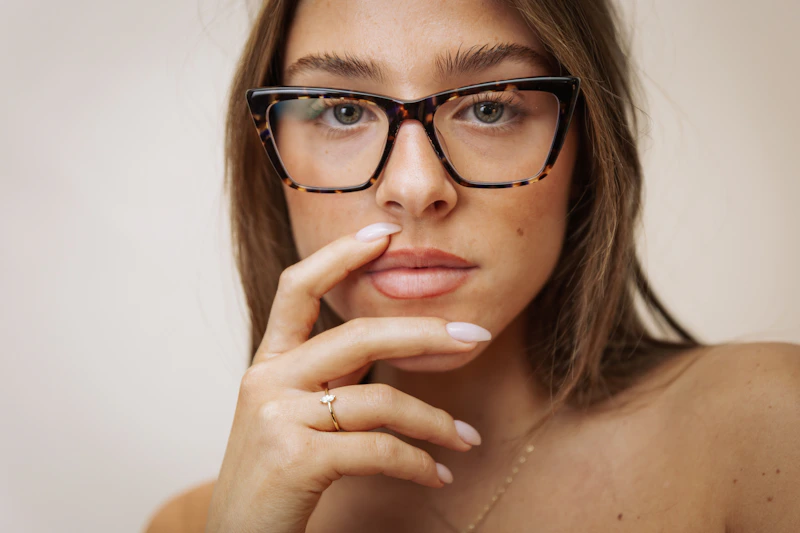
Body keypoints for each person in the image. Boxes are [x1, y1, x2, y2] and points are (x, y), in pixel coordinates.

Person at [144, 0, 800, 531]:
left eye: (490, 107)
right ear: (268, 154)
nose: (414, 185)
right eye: (342, 111)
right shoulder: (197, 523)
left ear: (587, 147)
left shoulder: (764, 430)